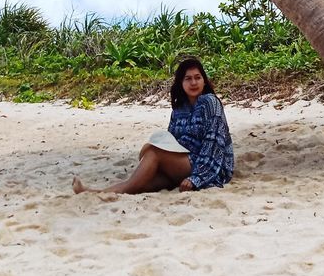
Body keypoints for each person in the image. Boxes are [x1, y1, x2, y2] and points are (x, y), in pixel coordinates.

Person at [72, 57, 234, 194]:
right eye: (188, 78)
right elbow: (172, 143)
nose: (193, 82)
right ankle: (94, 193)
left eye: (197, 78)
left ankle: (100, 191)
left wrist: (197, 178)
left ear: (204, 81)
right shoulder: (179, 109)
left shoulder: (210, 103)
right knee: (143, 181)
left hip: (211, 167)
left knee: (154, 153)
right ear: (180, 83)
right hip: (184, 163)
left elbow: (214, 145)